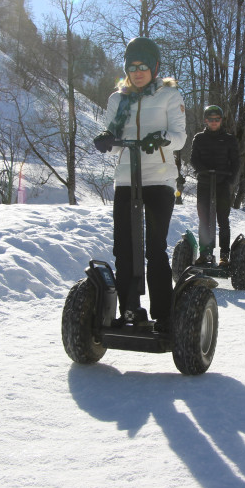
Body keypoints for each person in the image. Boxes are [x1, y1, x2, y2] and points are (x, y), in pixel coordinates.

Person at [93, 37, 186, 330]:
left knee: (155, 248)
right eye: (132, 67)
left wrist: (162, 138)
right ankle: (130, 309)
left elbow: (180, 138)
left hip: (160, 178)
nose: (137, 72)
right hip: (126, 179)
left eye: (143, 66)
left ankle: (164, 314)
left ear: (154, 67)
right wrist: (106, 139)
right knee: (123, 248)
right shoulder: (118, 100)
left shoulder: (169, 95)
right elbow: (113, 138)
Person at [190, 105, 240, 266]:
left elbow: (235, 162)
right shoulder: (199, 138)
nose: (214, 122)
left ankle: (224, 255)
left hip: (222, 183)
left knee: (223, 220)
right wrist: (202, 170)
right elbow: (193, 159)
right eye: (210, 119)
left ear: (221, 120)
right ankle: (205, 253)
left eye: (217, 119)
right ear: (206, 120)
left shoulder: (229, 139)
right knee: (204, 220)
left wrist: (230, 180)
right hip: (204, 183)